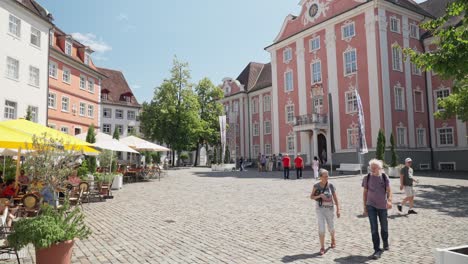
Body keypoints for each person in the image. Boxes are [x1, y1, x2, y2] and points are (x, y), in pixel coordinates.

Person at [362, 159, 392, 260]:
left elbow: (389, 191)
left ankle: (385, 242)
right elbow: (365, 192)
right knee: (374, 228)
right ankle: (377, 250)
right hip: (371, 205)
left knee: (384, 227)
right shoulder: (367, 178)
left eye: (375, 168)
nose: (373, 169)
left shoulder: (384, 177)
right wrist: (365, 207)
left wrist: (389, 201)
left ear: (380, 168)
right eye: (371, 167)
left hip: (383, 205)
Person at [310, 169, 340, 255]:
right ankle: (322, 247)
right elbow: (311, 197)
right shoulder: (316, 186)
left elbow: (335, 198)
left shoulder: (331, 185)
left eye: (327, 176)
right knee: (321, 228)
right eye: (325, 176)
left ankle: (333, 238)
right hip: (320, 209)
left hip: (330, 209)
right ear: (320, 177)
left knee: (331, 227)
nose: (327, 178)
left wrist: (338, 209)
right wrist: (319, 195)